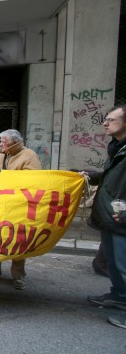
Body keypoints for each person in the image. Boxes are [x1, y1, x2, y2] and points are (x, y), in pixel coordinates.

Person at [0, 129, 42, 289]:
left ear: (14, 143)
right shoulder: (0, 157)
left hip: (18, 206)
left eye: (3, 142)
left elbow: (33, 181)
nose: (0, 144)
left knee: (17, 240)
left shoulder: (30, 156)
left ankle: (18, 274)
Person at [84, 105, 126, 329]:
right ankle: (119, 296)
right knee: (113, 261)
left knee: (124, 264)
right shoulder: (118, 148)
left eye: (111, 119)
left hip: (122, 217)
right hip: (112, 215)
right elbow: (112, 176)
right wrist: (90, 177)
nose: (105, 123)